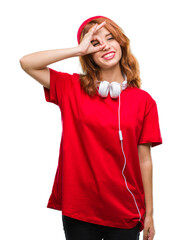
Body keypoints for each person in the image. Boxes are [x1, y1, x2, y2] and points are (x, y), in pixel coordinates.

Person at [19, 15, 163, 240]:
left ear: (121, 43)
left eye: (110, 38)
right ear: (88, 53)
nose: (105, 45)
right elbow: (27, 63)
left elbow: (144, 160)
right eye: (95, 43)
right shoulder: (71, 88)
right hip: (80, 210)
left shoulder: (144, 101)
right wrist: (77, 49)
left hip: (126, 210)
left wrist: (150, 213)